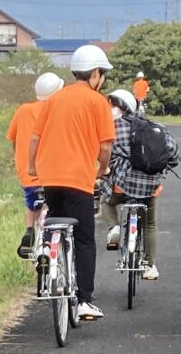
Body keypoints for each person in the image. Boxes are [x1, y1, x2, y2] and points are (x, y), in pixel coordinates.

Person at [27, 44, 116, 319]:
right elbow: (106, 147)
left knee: (56, 219)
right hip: (79, 180)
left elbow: (35, 138)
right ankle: (85, 300)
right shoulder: (98, 102)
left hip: (50, 179)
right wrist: (102, 169)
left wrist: (32, 166)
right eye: (102, 75)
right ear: (95, 75)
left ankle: (48, 250)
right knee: (84, 239)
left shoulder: (55, 98)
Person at [105, 85, 176, 279]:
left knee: (106, 201)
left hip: (123, 184)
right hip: (149, 186)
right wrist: (159, 175)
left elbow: (102, 153)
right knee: (150, 223)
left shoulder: (113, 126)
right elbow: (173, 154)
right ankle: (149, 265)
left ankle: (115, 228)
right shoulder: (154, 126)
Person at [7, 70, 65, 254]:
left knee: (31, 202)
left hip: (28, 173)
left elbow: (13, 140)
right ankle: (50, 244)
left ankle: (30, 230)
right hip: (53, 175)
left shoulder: (23, 110)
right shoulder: (58, 111)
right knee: (55, 205)